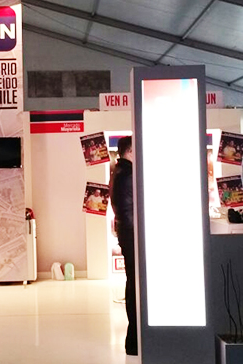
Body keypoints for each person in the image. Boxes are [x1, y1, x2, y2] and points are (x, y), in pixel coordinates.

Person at [110, 136, 137, 356]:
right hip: (132, 234)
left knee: (132, 283)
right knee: (135, 285)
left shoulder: (119, 172)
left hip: (126, 233)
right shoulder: (128, 174)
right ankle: (134, 338)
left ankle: (134, 338)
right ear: (130, 151)